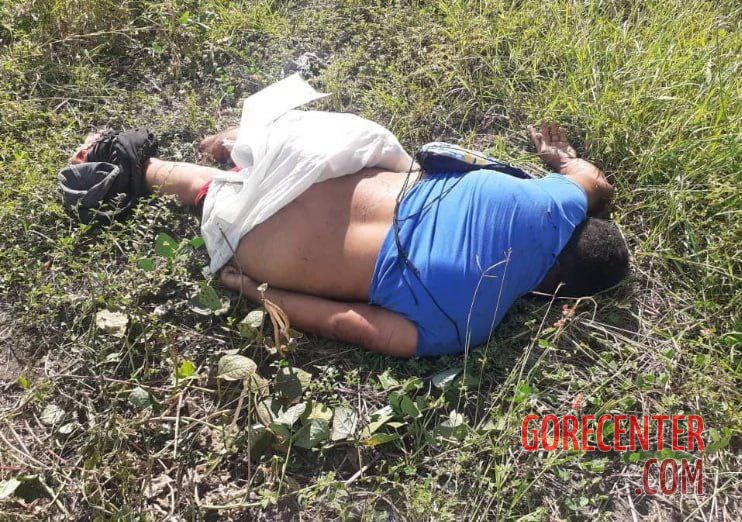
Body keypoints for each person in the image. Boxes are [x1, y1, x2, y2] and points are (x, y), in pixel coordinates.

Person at [66, 118, 628, 359]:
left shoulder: (553, 202)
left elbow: (594, 182)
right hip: (262, 240)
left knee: (384, 150)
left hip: (309, 163)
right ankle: (150, 172)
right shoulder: (468, 326)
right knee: (209, 195)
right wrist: (252, 289)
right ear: (557, 293)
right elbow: (346, 324)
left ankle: (248, 146)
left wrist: (563, 160)